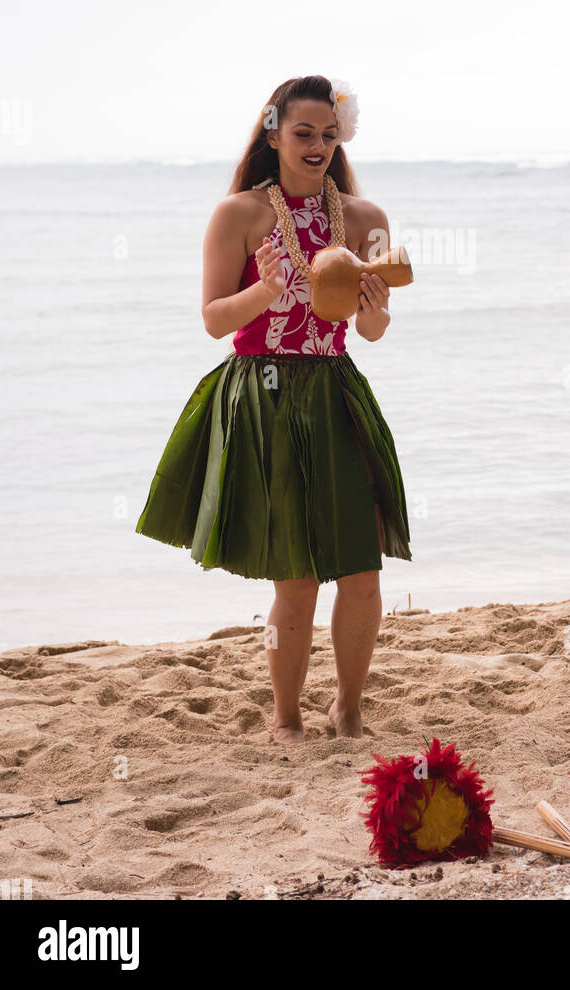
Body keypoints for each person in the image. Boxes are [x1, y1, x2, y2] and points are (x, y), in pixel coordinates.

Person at [135, 74, 412, 743]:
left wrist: (375, 313)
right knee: (295, 581)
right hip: (261, 396)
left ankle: (348, 707)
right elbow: (212, 320)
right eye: (302, 133)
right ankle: (286, 720)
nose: (317, 145)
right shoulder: (238, 215)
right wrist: (265, 290)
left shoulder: (367, 219)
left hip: (335, 389)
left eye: (328, 133)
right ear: (273, 133)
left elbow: (370, 331)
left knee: (360, 570)